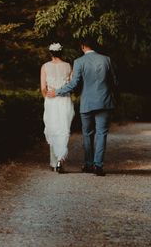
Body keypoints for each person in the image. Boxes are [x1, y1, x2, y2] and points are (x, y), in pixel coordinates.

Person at [47, 37, 117, 176]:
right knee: (102, 134)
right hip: (104, 101)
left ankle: (89, 164)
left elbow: (74, 84)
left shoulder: (79, 62)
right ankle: (98, 165)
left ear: (83, 46)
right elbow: (114, 81)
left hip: (87, 103)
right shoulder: (106, 59)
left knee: (87, 134)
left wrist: (57, 92)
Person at [41, 42, 75, 173]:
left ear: (50, 53)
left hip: (51, 101)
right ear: (61, 52)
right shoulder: (68, 66)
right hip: (64, 100)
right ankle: (60, 161)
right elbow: (71, 86)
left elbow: (43, 88)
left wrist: (47, 99)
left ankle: (54, 162)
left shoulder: (45, 66)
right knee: (63, 129)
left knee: (53, 129)